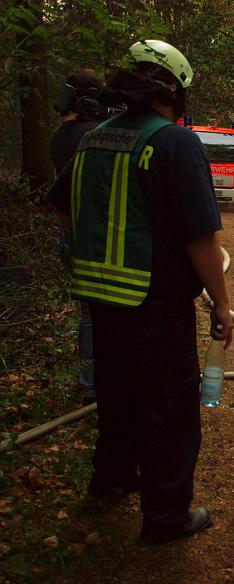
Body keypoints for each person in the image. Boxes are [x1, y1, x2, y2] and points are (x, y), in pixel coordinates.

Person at [47, 39, 234, 543]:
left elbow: (61, 203)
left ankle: (110, 481)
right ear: (173, 89)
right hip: (155, 303)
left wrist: (89, 254)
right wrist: (221, 303)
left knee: (116, 396)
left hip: (100, 297)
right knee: (168, 411)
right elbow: (201, 238)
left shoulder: (93, 138)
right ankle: (166, 518)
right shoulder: (174, 142)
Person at [49, 69, 108, 404]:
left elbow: (57, 197)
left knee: (89, 312)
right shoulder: (92, 134)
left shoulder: (60, 134)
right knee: (95, 315)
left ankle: (91, 381)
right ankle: (92, 386)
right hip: (95, 238)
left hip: (71, 233)